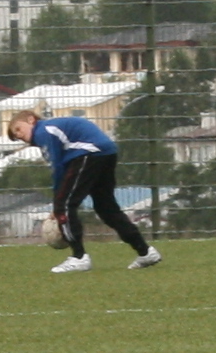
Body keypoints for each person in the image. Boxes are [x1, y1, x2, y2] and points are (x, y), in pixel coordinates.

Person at [9, 104, 155, 271]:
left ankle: (79, 257)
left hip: (88, 153)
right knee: (106, 208)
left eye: (18, 129)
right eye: (15, 136)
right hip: (105, 152)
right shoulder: (50, 129)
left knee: (65, 206)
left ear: (31, 120)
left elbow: (57, 168)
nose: (19, 135)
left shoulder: (43, 131)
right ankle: (145, 252)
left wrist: (58, 203)